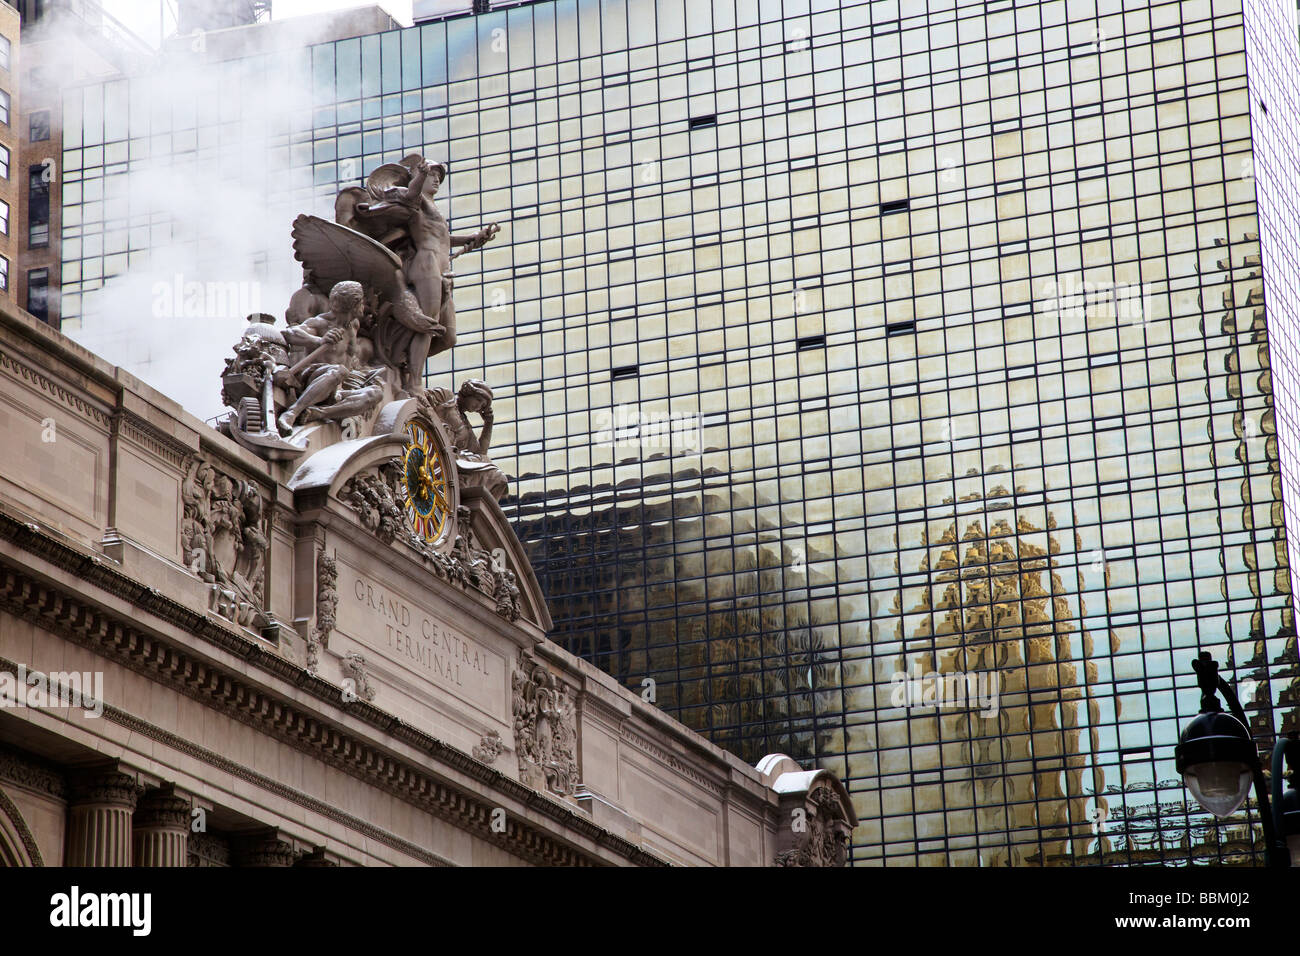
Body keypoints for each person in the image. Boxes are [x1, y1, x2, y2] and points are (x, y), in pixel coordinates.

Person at [276, 281, 366, 435]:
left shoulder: (353, 325)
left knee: (374, 393)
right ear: (354, 305)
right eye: (362, 302)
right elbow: (289, 333)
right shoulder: (321, 323)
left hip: (335, 390)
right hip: (312, 380)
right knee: (340, 371)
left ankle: (320, 413)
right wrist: (318, 340)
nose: (364, 305)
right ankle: (292, 412)